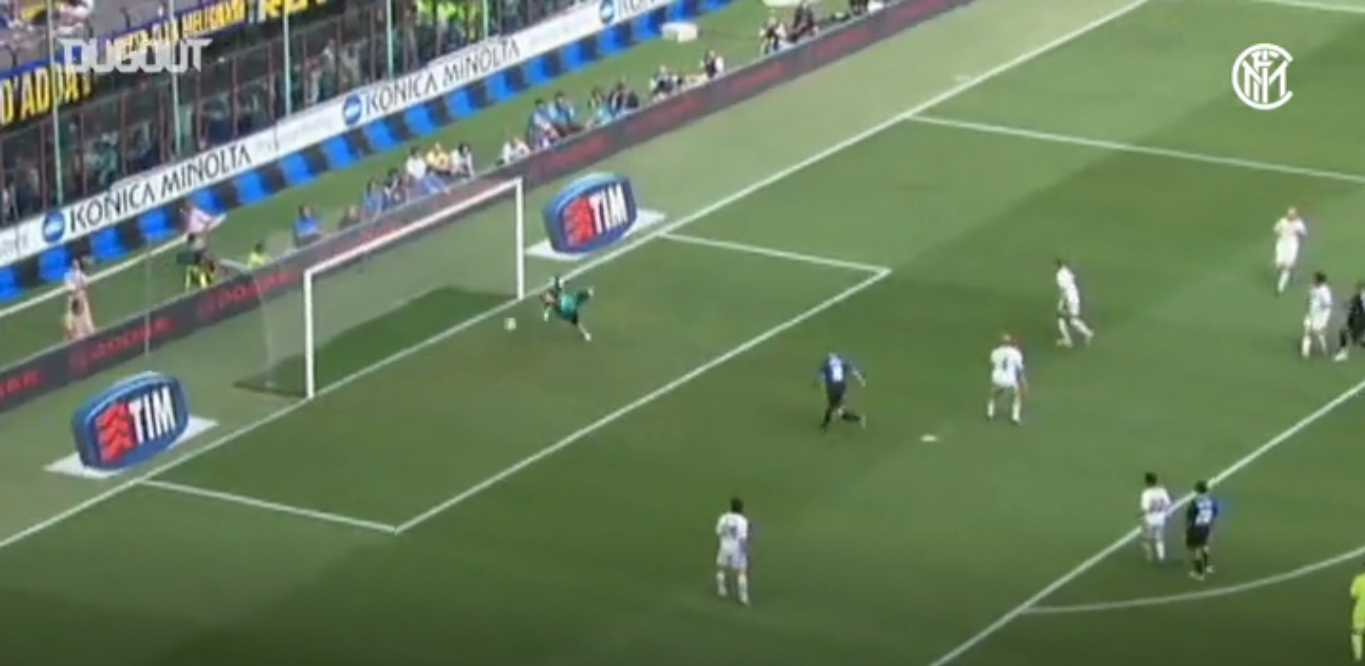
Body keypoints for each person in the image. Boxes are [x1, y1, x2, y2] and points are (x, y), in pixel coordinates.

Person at [715, 497, 751, 606]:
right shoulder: (742, 521)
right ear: (741, 508)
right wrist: (746, 551)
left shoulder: (723, 517)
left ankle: (721, 589)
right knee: (741, 571)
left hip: (724, 545)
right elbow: (742, 539)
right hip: (737, 548)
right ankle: (743, 597)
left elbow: (718, 532)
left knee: (721, 568)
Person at [817, 352, 866, 431]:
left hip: (833, 387)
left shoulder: (827, 365)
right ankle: (824, 424)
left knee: (836, 409)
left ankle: (859, 419)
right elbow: (853, 371)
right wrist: (861, 379)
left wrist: (820, 384)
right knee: (833, 407)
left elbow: (821, 376)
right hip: (841, 386)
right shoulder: (841, 364)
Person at [987, 334, 1025, 424]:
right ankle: (1015, 417)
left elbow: (993, 363)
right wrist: (1023, 381)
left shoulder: (995, 352)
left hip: (997, 378)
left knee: (994, 394)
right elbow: (1019, 369)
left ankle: (990, 413)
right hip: (1010, 380)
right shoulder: (1016, 353)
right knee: (1017, 395)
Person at [540, 276, 593, 341]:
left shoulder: (568, 309)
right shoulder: (569, 305)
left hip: (566, 307)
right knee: (559, 294)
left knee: (558, 295)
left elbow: (578, 324)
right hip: (566, 305)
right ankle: (558, 281)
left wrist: (546, 313)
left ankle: (558, 281)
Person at [1185, 480, 1218, 580]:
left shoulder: (1195, 502)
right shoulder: (1211, 501)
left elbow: (1190, 517)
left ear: (1197, 490)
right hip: (1206, 526)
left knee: (1196, 550)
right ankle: (1207, 567)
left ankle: (1199, 573)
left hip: (1196, 527)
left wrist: (1187, 531)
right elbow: (1214, 514)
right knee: (1205, 546)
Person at [1138, 472, 1172, 564]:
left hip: (1149, 520)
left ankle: (1149, 555)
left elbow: (1145, 508)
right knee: (1159, 538)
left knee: (1146, 539)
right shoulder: (1162, 491)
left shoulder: (1146, 493)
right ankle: (1161, 556)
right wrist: (1168, 513)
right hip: (1161, 518)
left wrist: (1140, 515)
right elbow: (1168, 504)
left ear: (1146, 482)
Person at [1272, 206, 1307, 295]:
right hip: (1282, 244)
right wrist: (1281, 232)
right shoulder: (1282, 221)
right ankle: (1287, 273)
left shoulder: (1298, 223)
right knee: (1279, 264)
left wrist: (1297, 234)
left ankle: (1280, 287)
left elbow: (1303, 233)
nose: (1291, 217)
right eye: (1290, 215)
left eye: (1293, 215)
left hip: (1292, 245)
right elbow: (1275, 230)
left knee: (1288, 265)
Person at [1302, 271, 1333, 359]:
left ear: (1319, 280)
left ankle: (1324, 348)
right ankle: (1305, 354)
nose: (1312, 279)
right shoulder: (1313, 287)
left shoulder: (1325, 291)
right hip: (1311, 313)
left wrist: (1324, 323)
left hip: (1319, 316)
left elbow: (1328, 305)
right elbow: (1311, 297)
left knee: (1318, 333)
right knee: (1307, 331)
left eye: (1314, 278)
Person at [1336, 281, 1365, 362]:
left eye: (1360, 289)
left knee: (1357, 340)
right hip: (1354, 320)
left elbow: (1352, 306)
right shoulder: (1357, 297)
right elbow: (1350, 305)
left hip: (1360, 321)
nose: (1358, 290)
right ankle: (1343, 353)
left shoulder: (1361, 297)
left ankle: (1343, 353)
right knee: (1343, 331)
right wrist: (1347, 305)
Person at [1350, 561, 1364, 662]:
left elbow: (1353, 594)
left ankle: (1358, 655)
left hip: (1361, 612)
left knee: (1356, 632)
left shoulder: (1358, 579)